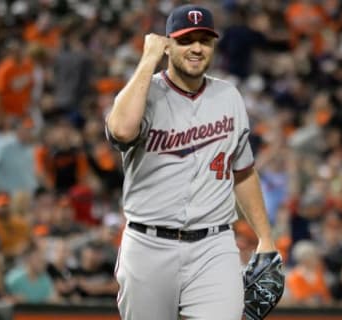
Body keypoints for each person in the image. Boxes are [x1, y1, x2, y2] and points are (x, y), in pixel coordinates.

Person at [105, 4, 278, 320]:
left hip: (214, 246)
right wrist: (147, 61)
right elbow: (122, 130)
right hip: (148, 243)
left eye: (205, 40)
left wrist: (265, 238)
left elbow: (243, 172)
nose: (197, 48)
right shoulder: (145, 92)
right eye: (186, 40)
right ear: (167, 45)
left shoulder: (229, 97)